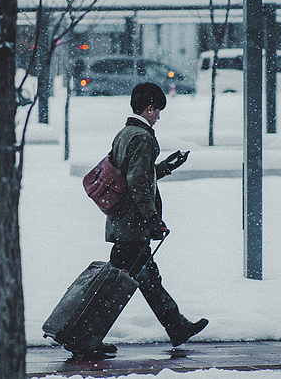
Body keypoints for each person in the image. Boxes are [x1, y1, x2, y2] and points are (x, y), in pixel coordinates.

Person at [79, 82, 207, 358]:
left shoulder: (124, 134)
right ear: (149, 109)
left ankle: (176, 327)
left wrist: (166, 166)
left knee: (139, 281)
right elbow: (137, 182)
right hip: (133, 226)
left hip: (122, 223)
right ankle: (86, 337)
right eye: (158, 110)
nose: (159, 116)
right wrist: (153, 220)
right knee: (121, 286)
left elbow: (130, 176)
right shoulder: (143, 137)